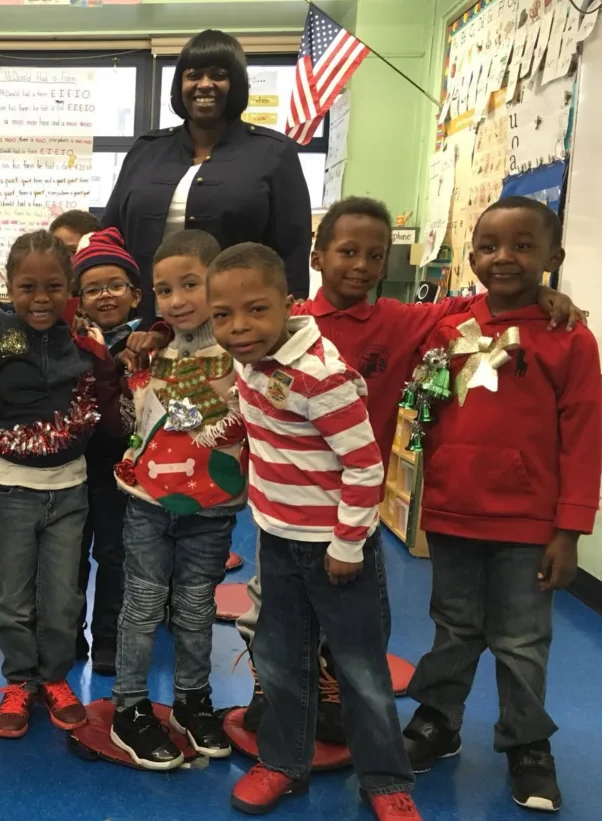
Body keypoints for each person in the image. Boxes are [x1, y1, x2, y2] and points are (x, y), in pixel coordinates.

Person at [229, 197, 586, 743]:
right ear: (318, 257)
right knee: (272, 608)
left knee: (354, 616)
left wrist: (547, 296)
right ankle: (273, 687)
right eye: (347, 252)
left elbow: (487, 303)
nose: (361, 266)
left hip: (353, 502)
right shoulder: (283, 324)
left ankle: (336, 694)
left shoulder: (405, 321)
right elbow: (226, 332)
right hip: (286, 503)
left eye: (375, 256)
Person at [402, 197, 602, 813]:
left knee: (521, 639)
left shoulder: (569, 338)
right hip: (454, 514)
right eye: (489, 246)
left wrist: (569, 530)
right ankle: (438, 719)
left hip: (528, 524)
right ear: (471, 255)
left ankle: (527, 744)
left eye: (522, 246)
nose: (504, 258)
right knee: (453, 627)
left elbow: (585, 437)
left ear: (554, 258)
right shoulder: (448, 327)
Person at [209, 242, 421, 821]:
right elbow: (254, 414)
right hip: (276, 541)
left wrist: (348, 544)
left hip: (335, 550)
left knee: (358, 668)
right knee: (281, 660)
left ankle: (384, 779)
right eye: (222, 315)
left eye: (255, 310)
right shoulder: (248, 359)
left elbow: (365, 466)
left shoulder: (319, 377)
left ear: (289, 303)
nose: (238, 327)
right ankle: (283, 762)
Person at [0, 230, 131, 739]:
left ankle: (55, 677)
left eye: (52, 287)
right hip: (9, 491)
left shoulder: (81, 341)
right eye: (27, 287)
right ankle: (20, 680)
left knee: (64, 595)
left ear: (69, 287)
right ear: (9, 286)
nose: (40, 299)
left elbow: (121, 359)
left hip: (70, 490)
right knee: (14, 596)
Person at [109, 229, 243, 769]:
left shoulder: (242, 344)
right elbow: (146, 415)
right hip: (148, 501)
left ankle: (192, 701)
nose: (178, 300)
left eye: (191, 285)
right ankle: (130, 707)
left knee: (195, 607)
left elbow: (227, 421)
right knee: (141, 607)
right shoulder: (153, 345)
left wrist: (181, 410)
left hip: (211, 506)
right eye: (164, 291)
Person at [102, 29, 311, 320]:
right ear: (180, 83)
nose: (204, 84)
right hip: (144, 326)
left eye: (218, 75)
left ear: (235, 84)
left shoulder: (274, 153)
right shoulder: (146, 151)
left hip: (236, 328)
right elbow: (109, 237)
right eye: (193, 75)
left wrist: (290, 323)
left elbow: (293, 253)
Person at [71, 227, 142, 674]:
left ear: (135, 295)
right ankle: (69, 634)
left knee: (115, 556)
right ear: (78, 299)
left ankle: (109, 641)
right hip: (74, 465)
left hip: (124, 471)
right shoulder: (71, 341)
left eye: (115, 286)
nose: (105, 296)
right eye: (92, 289)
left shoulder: (150, 342)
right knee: (70, 556)